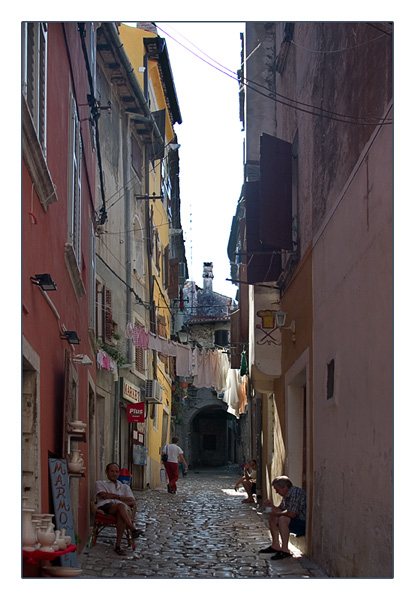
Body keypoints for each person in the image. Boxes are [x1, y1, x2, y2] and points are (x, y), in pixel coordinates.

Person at [95, 462, 142, 555]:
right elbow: (103, 495)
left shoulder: (124, 487)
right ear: (106, 472)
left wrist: (114, 497)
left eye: (116, 472)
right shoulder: (100, 483)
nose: (114, 473)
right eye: (112, 471)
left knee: (121, 512)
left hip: (121, 510)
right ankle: (132, 529)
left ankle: (118, 546)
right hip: (106, 507)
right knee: (121, 506)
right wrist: (119, 497)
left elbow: (131, 500)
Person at [259, 475, 306, 560]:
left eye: (277, 489)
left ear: (285, 487)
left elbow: (291, 514)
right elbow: (281, 510)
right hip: (295, 521)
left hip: (302, 524)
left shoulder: (295, 493)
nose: (277, 492)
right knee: (273, 518)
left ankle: (285, 550)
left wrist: (276, 514)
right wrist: (271, 506)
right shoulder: (286, 495)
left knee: (282, 519)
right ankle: (275, 545)